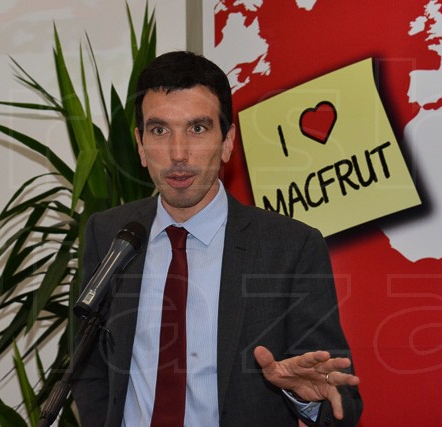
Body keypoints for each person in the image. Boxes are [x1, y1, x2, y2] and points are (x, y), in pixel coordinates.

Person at [72, 50, 362, 426]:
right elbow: (88, 365)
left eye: (197, 129)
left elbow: (342, 403)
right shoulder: (109, 233)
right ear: (140, 145)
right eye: (159, 130)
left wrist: (307, 398)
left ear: (227, 141)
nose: (178, 153)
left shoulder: (290, 247)